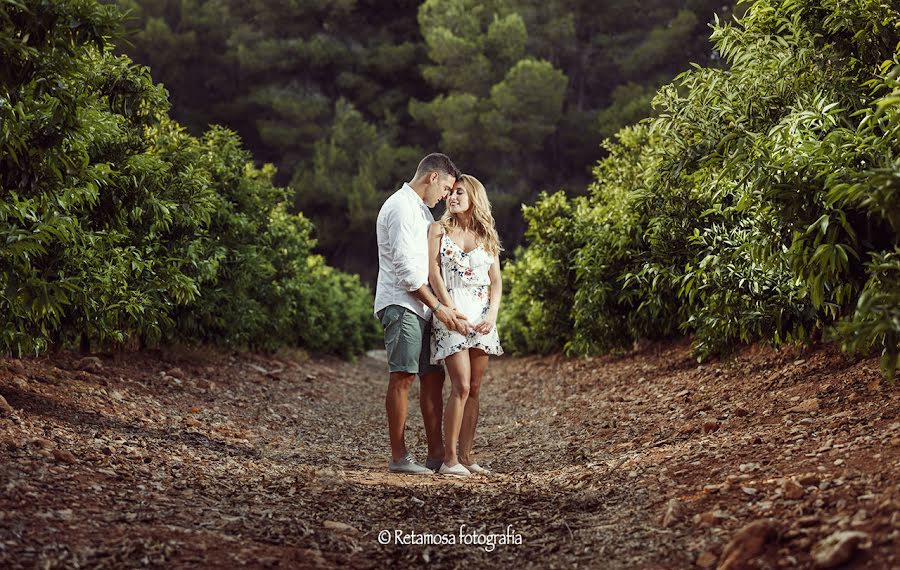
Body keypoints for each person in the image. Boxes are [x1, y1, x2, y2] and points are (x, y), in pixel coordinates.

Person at [374, 153, 470, 474]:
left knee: (433, 377)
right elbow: (407, 274)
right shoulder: (401, 207)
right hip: (403, 305)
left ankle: (437, 457)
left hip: (424, 309)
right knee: (403, 375)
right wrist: (441, 308)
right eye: (445, 187)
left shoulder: (424, 214)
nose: (446, 196)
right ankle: (399, 458)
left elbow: (433, 268)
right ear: (432, 178)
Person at [427, 174, 503, 477]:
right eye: (451, 192)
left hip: (482, 315)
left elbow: (496, 282)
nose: (453, 197)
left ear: (474, 197)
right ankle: (449, 460)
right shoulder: (438, 229)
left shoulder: (487, 235)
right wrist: (449, 309)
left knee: (475, 389)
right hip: (452, 312)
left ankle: (468, 457)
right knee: (460, 385)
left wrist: (492, 315)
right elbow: (433, 273)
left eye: (460, 193)